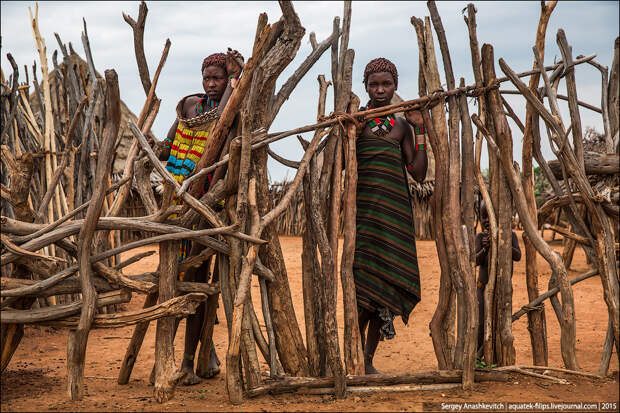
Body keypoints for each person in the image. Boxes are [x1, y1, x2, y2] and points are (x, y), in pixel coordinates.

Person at [153, 49, 243, 386]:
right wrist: (156, 148)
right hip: (177, 205)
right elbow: (169, 142)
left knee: (198, 283)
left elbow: (229, 110)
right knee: (172, 284)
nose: (211, 84)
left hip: (207, 210)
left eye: (218, 78)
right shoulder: (190, 106)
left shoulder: (228, 112)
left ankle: (191, 362)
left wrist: (239, 74)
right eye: (207, 77)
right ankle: (167, 361)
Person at [354, 57, 428, 375]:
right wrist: (351, 133)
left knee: (383, 293)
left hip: (394, 215)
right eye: (374, 84)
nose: (380, 89)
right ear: (366, 87)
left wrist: (420, 127)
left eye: (386, 84)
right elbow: (341, 165)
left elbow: (419, 173)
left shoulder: (401, 126)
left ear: (395, 86)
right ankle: (354, 356)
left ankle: (367, 360)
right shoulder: (357, 121)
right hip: (363, 216)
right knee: (360, 290)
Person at [474, 200, 522, 355]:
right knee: (481, 323)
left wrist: (503, 243)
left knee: (501, 323)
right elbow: (475, 260)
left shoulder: (510, 235)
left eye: (490, 216)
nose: (487, 221)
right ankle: (479, 356)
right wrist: (484, 248)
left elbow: (518, 256)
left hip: (503, 289)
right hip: (482, 288)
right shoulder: (480, 237)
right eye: (483, 217)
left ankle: (497, 355)